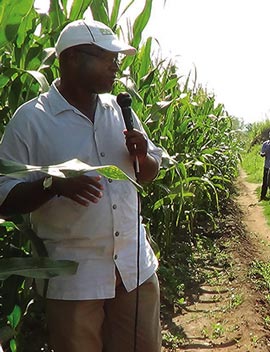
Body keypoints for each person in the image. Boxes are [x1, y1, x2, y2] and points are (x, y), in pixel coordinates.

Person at [0, 20, 162, 352]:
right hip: (74, 279)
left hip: (135, 268)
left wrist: (144, 157)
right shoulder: (31, 120)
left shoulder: (120, 110)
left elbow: (150, 171)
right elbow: (3, 195)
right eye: (108, 57)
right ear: (74, 58)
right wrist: (52, 186)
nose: (117, 66)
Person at [259, 132, 270, 200]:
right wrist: (262, 154)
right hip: (267, 165)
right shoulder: (265, 144)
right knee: (265, 181)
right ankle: (263, 196)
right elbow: (262, 153)